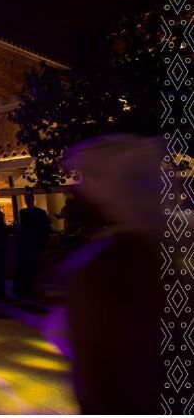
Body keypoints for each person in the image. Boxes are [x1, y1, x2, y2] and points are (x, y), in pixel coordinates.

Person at [61, 134, 163, 413]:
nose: (78, 192)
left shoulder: (103, 264)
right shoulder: (163, 246)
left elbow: (100, 373)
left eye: (86, 181)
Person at [14, 192, 52, 298]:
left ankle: (33, 288)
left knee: (35, 267)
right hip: (28, 245)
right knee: (31, 267)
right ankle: (32, 288)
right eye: (26, 199)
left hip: (34, 244)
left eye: (28, 199)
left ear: (32, 199)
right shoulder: (25, 212)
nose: (27, 201)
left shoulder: (38, 212)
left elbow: (45, 227)